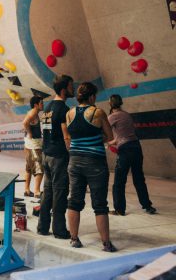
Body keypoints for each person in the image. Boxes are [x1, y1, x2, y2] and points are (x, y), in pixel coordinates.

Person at [66, 82, 117, 252]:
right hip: (95, 163)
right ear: (92, 96)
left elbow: (71, 137)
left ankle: (74, 239)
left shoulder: (69, 113)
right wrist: (96, 139)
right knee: (100, 204)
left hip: (74, 161)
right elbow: (110, 137)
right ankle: (106, 244)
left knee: (74, 201)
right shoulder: (98, 112)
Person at [37, 75, 74, 240]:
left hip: (46, 154)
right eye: (71, 86)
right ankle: (59, 230)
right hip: (58, 156)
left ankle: (42, 227)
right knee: (60, 192)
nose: (73, 89)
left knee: (48, 191)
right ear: (64, 89)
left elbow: (45, 132)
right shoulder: (64, 110)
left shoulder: (47, 108)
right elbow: (67, 136)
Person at [108, 94, 156, 216]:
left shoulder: (112, 117)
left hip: (125, 150)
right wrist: (111, 143)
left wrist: (106, 142)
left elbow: (107, 133)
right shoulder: (127, 115)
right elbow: (122, 136)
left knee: (119, 181)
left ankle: (119, 209)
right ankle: (147, 206)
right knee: (139, 179)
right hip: (136, 147)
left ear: (110, 103)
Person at [22, 96, 44, 198]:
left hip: (29, 144)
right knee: (39, 167)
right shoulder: (33, 113)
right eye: (41, 103)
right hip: (34, 144)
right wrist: (30, 132)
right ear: (36, 105)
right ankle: (37, 191)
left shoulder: (32, 112)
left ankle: (27, 190)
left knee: (29, 167)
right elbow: (25, 123)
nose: (42, 105)